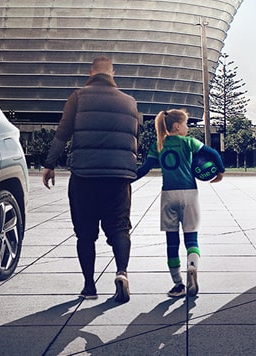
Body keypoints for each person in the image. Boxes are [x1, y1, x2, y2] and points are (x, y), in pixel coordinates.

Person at [42, 56, 142, 302]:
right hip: (119, 178)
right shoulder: (130, 102)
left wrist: (49, 163)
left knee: (85, 233)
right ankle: (122, 273)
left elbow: (63, 132)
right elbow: (134, 136)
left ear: (91, 72)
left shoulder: (78, 97)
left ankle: (89, 287)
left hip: (85, 176)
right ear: (112, 73)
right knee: (119, 228)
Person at [135, 109, 223, 297]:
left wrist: (126, 179)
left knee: (172, 242)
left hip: (168, 195)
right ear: (176, 126)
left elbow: (143, 170)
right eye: (186, 124)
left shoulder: (158, 144)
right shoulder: (189, 142)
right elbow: (213, 153)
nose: (187, 128)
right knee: (192, 238)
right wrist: (220, 172)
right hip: (189, 193)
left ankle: (178, 284)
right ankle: (192, 266)